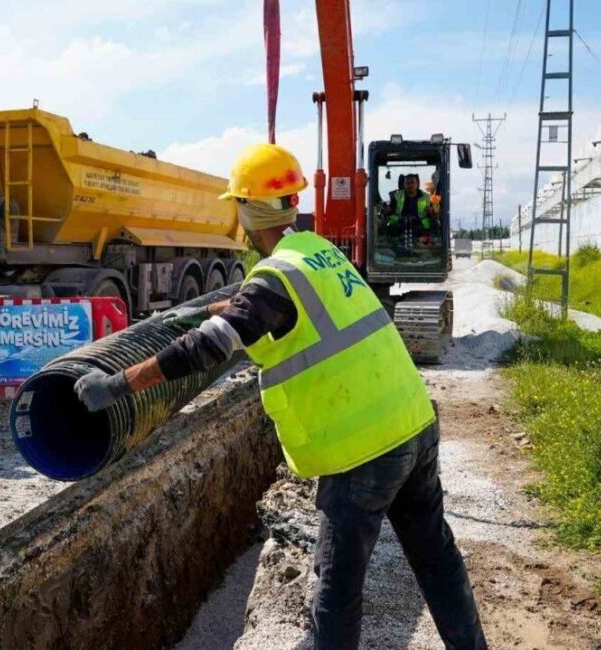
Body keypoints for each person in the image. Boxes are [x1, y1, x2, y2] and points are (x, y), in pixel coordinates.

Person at [74, 143, 487, 650]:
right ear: (292, 202)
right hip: (414, 425)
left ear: (246, 209)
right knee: (437, 559)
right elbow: (294, 308)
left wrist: (118, 385)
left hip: (361, 450)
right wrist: (235, 304)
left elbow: (207, 348)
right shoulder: (317, 252)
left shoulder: (274, 277)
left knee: (336, 594)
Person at [383, 174, 440, 250]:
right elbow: (390, 210)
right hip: (400, 226)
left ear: (417, 184)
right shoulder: (397, 196)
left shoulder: (426, 197)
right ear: (404, 184)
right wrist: (387, 210)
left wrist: (431, 211)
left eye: (412, 182)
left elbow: (434, 214)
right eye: (407, 183)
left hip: (420, 227)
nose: (410, 185)